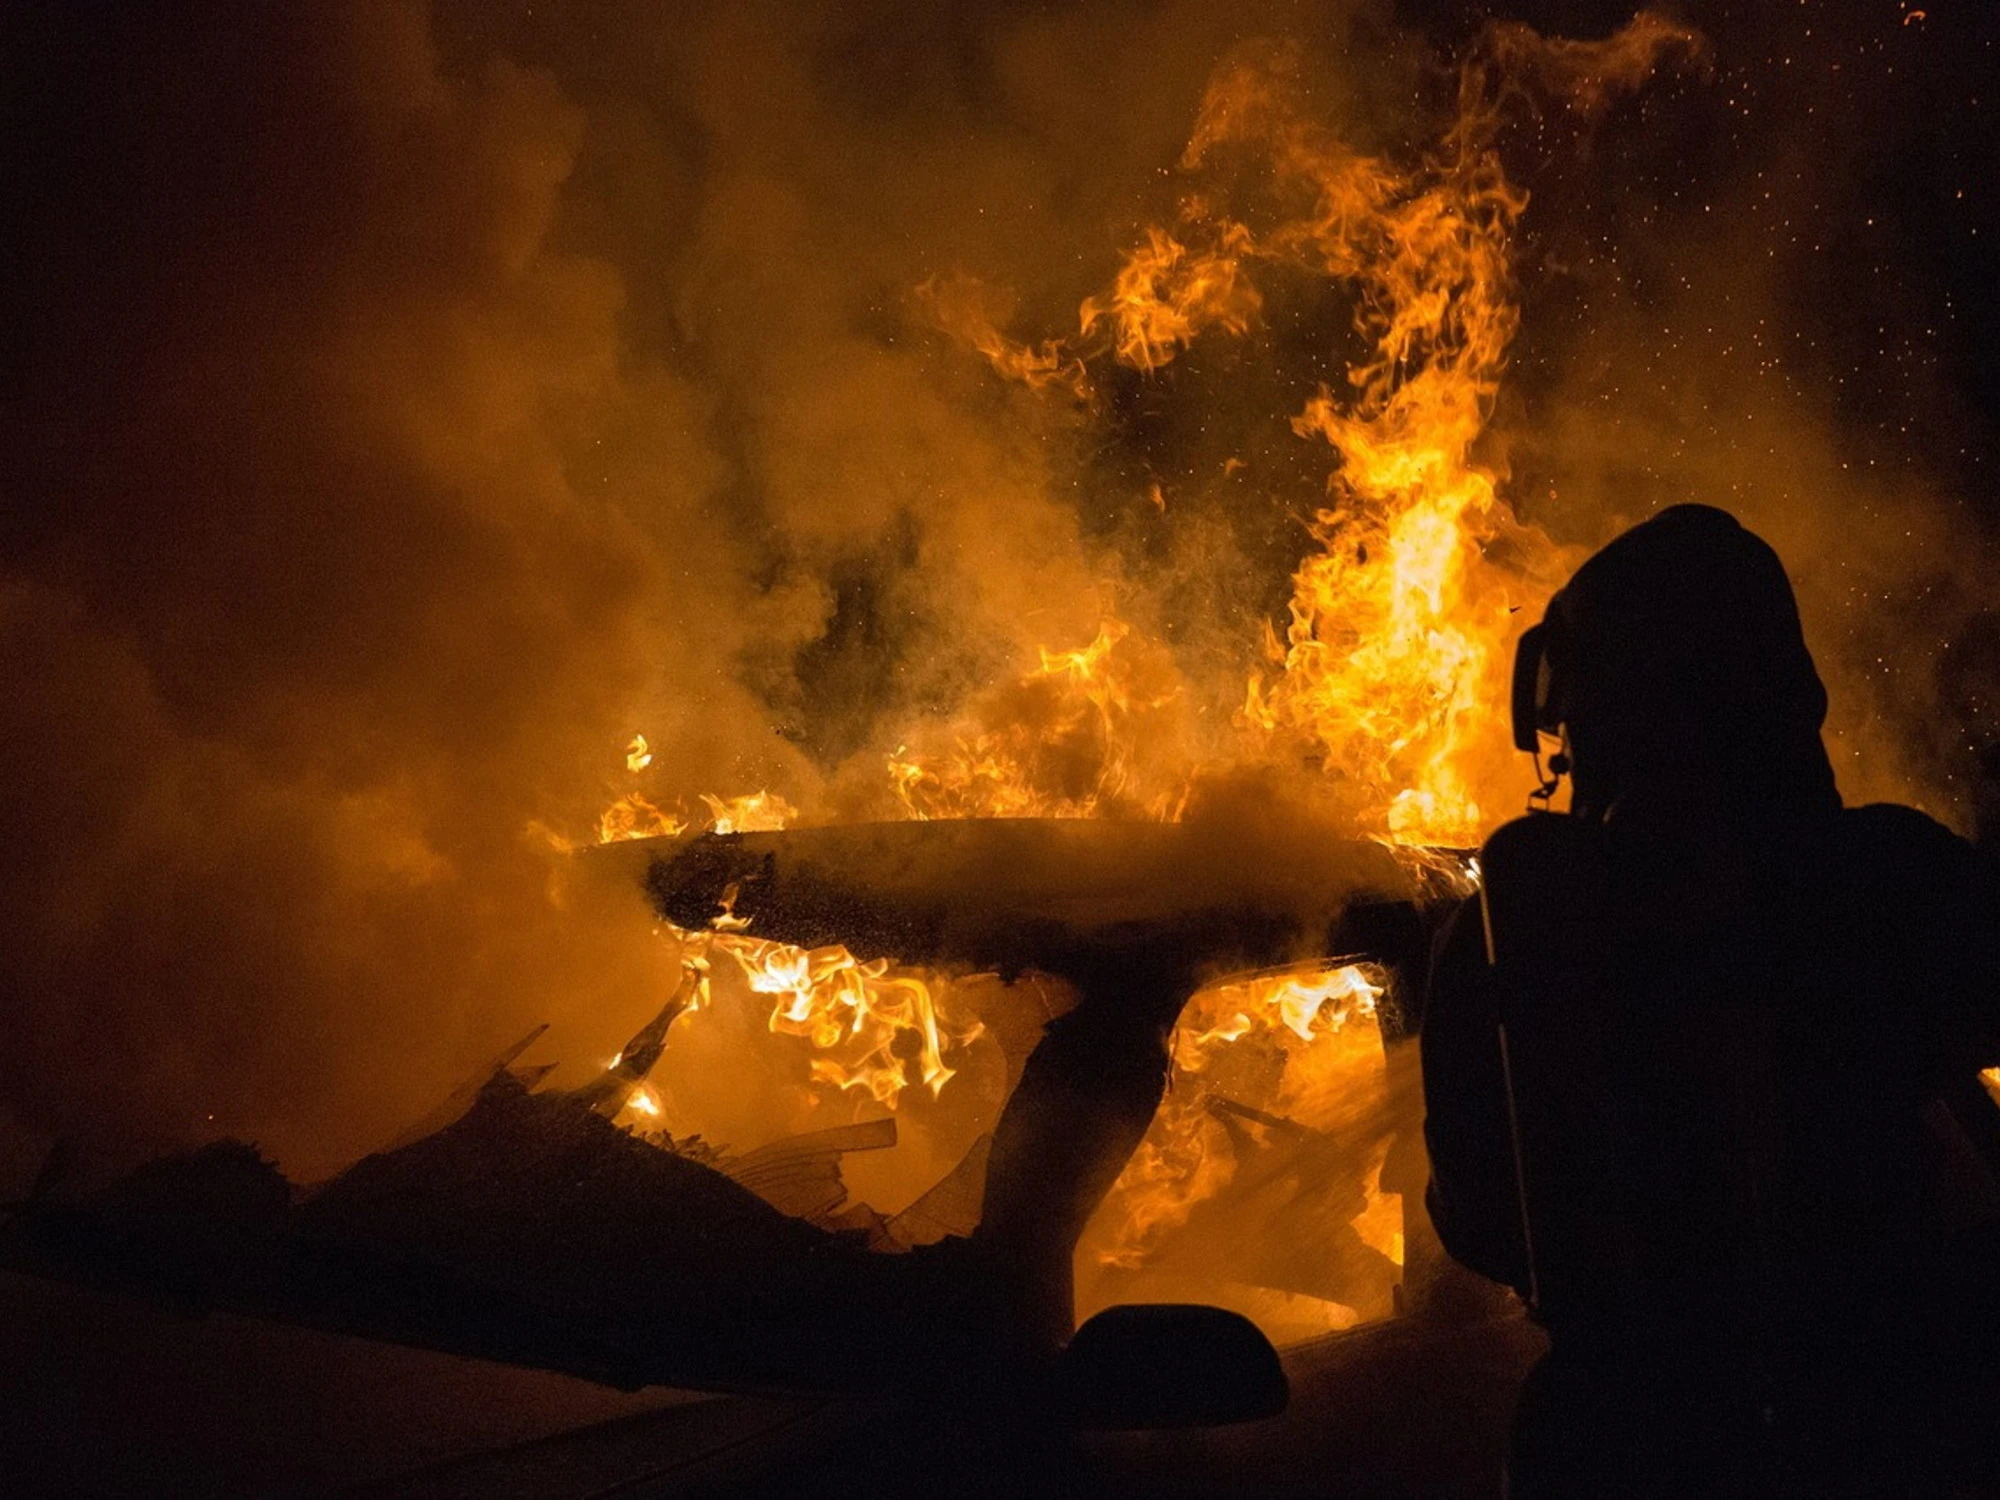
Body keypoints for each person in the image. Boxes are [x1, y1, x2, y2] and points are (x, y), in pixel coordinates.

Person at [1421, 505, 2000, 1495]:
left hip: (1619, 1438)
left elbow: (1473, 1213)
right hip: (1891, 1416)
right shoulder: (1894, 876)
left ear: (1586, 715)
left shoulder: (1511, 927)